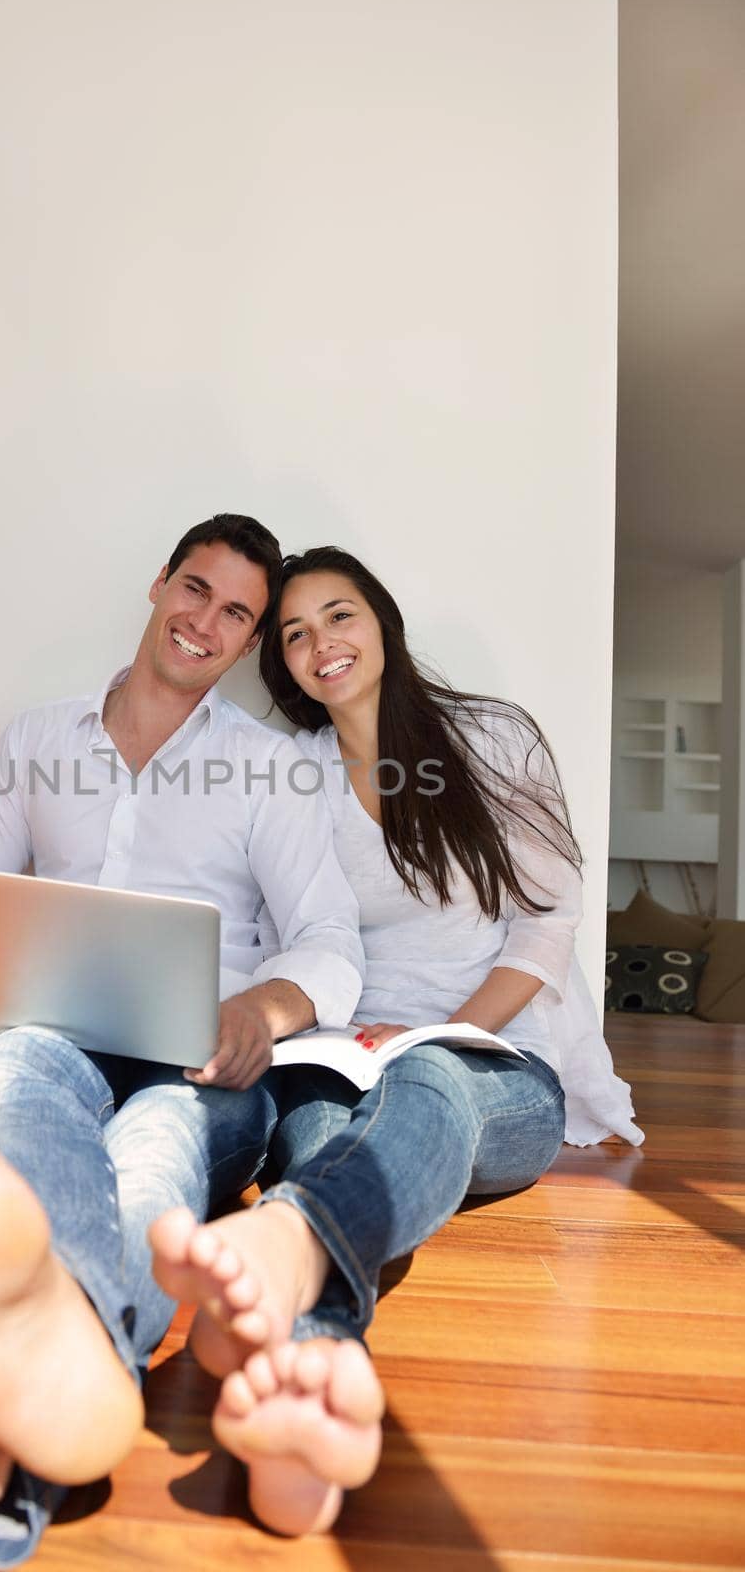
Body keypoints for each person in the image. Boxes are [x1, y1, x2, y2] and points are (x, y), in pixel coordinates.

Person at [0, 518, 365, 1572]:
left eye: (236, 612)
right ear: (158, 585)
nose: (207, 619)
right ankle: (72, 1384)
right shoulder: (38, 738)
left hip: (200, 1059)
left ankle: (14, 1428)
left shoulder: (268, 770)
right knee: (8, 1077)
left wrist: (260, 1014)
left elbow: (330, 945)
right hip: (47, 1034)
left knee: (155, 1156)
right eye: (195, 589)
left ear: (245, 643)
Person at [149, 545, 642, 1537]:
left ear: (382, 620)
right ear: (282, 666)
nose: (319, 643)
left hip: (494, 1057)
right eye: (292, 634)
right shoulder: (293, 774)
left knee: (430, 1082)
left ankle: (287, 1238)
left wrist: (442, 1030)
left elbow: (547, 922)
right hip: (340, 1045)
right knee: (321, 1127)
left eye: (339, 615)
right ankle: (322, 1366)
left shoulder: (491, 739)